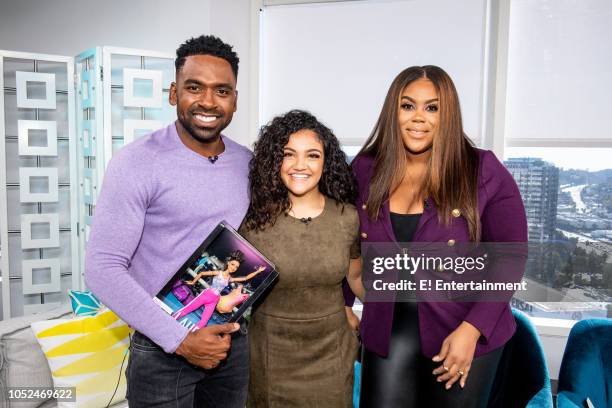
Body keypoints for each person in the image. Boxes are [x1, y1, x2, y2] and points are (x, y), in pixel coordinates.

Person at [84, 35, 252, 408]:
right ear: (174, 93)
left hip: (231, 341)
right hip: (162, 348)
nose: (208, 102)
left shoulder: (249, 163)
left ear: (235, 100)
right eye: (195, 87)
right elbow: (102, 268)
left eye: (222, 91)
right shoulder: (136, 162)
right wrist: (180, 339)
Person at [347, 65, 528, 407]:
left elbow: (510, 258)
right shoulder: (366, 169)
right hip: (388, 327)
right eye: (407, 105)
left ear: (448, 115)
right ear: (393, 111)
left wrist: (472, 329)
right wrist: (343, 302)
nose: (419, 118)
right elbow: (347, 236)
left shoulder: (483, 169)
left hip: (462, 326)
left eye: (432, 107)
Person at [240, 110, 362, 407]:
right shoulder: (251, 220)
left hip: (332, 358)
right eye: (288, 154)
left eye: (312, 155)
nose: (300, 165)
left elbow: (357, 279)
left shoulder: (347, 218)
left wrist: (410, 309)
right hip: (270, 358)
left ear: (326, 163)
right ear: (274, 161)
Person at [172, 250, 265, 328]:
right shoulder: (219, 272)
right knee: (187, 309)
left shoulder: (230, 279)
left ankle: (189, 336)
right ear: (228, 263)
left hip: (214, 300)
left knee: (203, 323)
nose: (234, 268)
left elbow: (245, 278)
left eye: (236, 267)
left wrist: (258, 271)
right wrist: (193, 282)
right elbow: (202, 274)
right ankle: (170, 321)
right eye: (233, 264)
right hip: (207, 294)